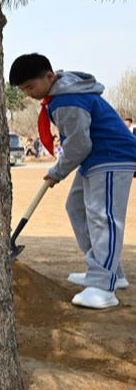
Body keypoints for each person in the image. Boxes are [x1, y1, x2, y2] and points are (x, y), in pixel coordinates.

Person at [10, 53, 136, 309]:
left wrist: (57, 171)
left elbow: (79, 144)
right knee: (76, 207)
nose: (29, 94)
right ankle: (108, 270)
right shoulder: (62, 94)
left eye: (30, 87)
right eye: (24, 90)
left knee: (103, 217)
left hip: (111, 156)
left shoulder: (67, 99)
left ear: (49, 76)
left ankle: (104, 287)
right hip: (94, 158)